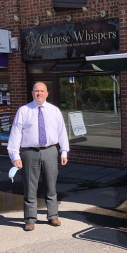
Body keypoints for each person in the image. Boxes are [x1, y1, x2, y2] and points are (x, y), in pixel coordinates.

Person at [7, 82, 69, 231]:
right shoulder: (23, 111)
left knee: (51, 185)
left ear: (47, 93)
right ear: (32, 93)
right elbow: (15, 134)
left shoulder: (54, 111)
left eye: (42, 91)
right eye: (36, 91)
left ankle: (53, 216)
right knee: (30, 187)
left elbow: (62, 132)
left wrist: (64, 151)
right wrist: (15, 155)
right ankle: (30, 219)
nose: (39, 93)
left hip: (50, 151)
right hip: (29, 153)